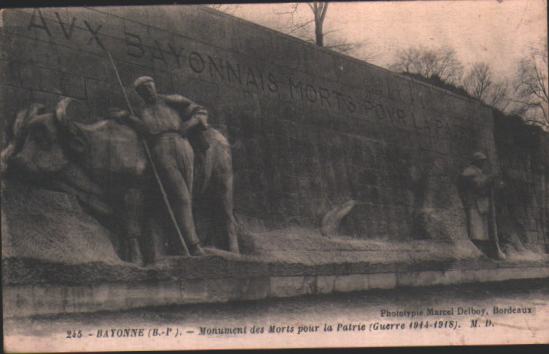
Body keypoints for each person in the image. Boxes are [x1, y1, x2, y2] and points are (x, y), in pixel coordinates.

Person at [121, 76, 208, 256]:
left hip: (183, 143)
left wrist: (190, 123)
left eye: (149, 85)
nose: (147, 90)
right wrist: (127, 118)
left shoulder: (172, 100)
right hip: (161, 149)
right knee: (180, 196)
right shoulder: (140, 111)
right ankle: (193, 245)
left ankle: (181, 243)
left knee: (188, 196)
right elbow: (144, 131)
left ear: (154, 85)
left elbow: (200, 111)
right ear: (139, 94)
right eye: (142, 89)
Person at [459, 152, 505, 259]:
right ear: (476, 161)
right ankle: (476, 251)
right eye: (481, 161)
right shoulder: (469, 172)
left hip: (483, 205)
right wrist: (490, 179)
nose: (483, 163)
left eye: (483, 161)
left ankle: (483, 252)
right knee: (475, 229)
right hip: (474, 204)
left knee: (483, 230)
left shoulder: (479, 172)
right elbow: (477, 185)